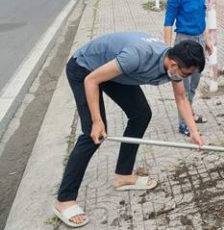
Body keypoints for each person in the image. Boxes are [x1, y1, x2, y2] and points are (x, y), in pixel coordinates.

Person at [53, 32, 205, 228]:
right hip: (84, 69)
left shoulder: (173, 65)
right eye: (186, 74)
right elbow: (91, 81)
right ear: (174, 65)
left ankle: (123, 176)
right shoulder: (137, 56)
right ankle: (64, 200)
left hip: (114, 71)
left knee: (141, 114)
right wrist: (97, 120)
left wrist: (194, 132)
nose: (185, 78)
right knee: (93, 133)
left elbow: (182, 99)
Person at [164, 0, 214, 136]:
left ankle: (189, 114)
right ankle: (184, 124)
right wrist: (168, 50)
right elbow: (168, 23)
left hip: (199, 41)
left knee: (194, 83)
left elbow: (202, 19)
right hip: (184, 42)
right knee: (183, 87)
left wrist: (206, 40)